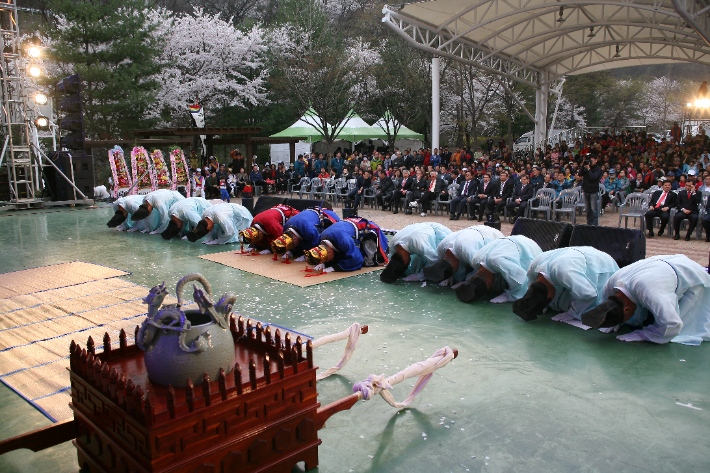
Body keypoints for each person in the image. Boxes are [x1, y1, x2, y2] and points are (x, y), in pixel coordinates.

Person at [581, 255, 710, 345]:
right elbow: (605, 302)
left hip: (690, 273)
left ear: (627, 309)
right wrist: (612, 320)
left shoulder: (653, 294)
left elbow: (673, 324)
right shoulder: (611, 285)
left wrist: (646, 335)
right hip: (659, 265)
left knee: (688, 325)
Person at [512, 247, 619, 322]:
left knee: (592, 303)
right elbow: (532, 283)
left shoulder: (565, 273)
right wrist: (536, 304)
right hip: (572, 256)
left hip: (600, 263)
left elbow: (589, 294)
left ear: (550, 294)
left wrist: (573, 313)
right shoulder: (533, 268)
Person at [454, 235, 543, 304]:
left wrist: (509, 296)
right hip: (509, 242)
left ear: (488, 282)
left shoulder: (500, 263)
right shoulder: (475, 260)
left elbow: (521, 279)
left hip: (528, 247)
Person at [422, 225, 504, 286]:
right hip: (472, 233)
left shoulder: (470, 253)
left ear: (455, 265)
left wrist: (467, 282)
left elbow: (482, 270)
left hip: (491, 235)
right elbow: (441, 263)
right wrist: (448, 277)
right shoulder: (441, 247)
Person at [305, 217, 389, 272]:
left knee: (368, 261)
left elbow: (356, 260)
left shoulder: (344, 240)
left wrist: (334, 268)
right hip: (346, 227)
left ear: (329, 252)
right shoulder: (322, 237)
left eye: (326, 259)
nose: (325, 260)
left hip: (368, 231)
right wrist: (323, 263)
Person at [380, 222, 451, 284]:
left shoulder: (420, 245)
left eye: (407, 262)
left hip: (435, 231)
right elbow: (393, 261)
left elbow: (435, 261)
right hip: (418, 230)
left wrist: (420, 276)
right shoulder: (394, 244)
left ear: (405, 259)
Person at [271, 207, 340, 260]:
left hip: (329, 215)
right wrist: (290, 251)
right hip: (309, 215)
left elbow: (319, 243)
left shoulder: (310, 230)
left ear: (294, 239)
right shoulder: (286, 226)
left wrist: (306, 255)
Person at [186, 202, 253, 245]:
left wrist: (219, 241)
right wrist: (210, 238)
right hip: (226, 213)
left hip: (240, 215)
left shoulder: (219, 216)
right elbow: (210, 230)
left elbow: (230, 231)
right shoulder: (204, 215)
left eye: (209, 230)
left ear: (208, 227)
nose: (210, 231)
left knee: (238, 235)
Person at [578, 154, 602, 225]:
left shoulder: (598, 169)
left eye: (591, 160)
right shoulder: (586, 167)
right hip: (586, 190)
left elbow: (593, 177)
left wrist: (588, 169)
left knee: (594, 209)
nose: (590, 162)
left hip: (593, 191)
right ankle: (589, 223)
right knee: (588, 209)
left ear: (596, 160)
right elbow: (580, 174)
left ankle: (595, 224)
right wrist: (583, 165)